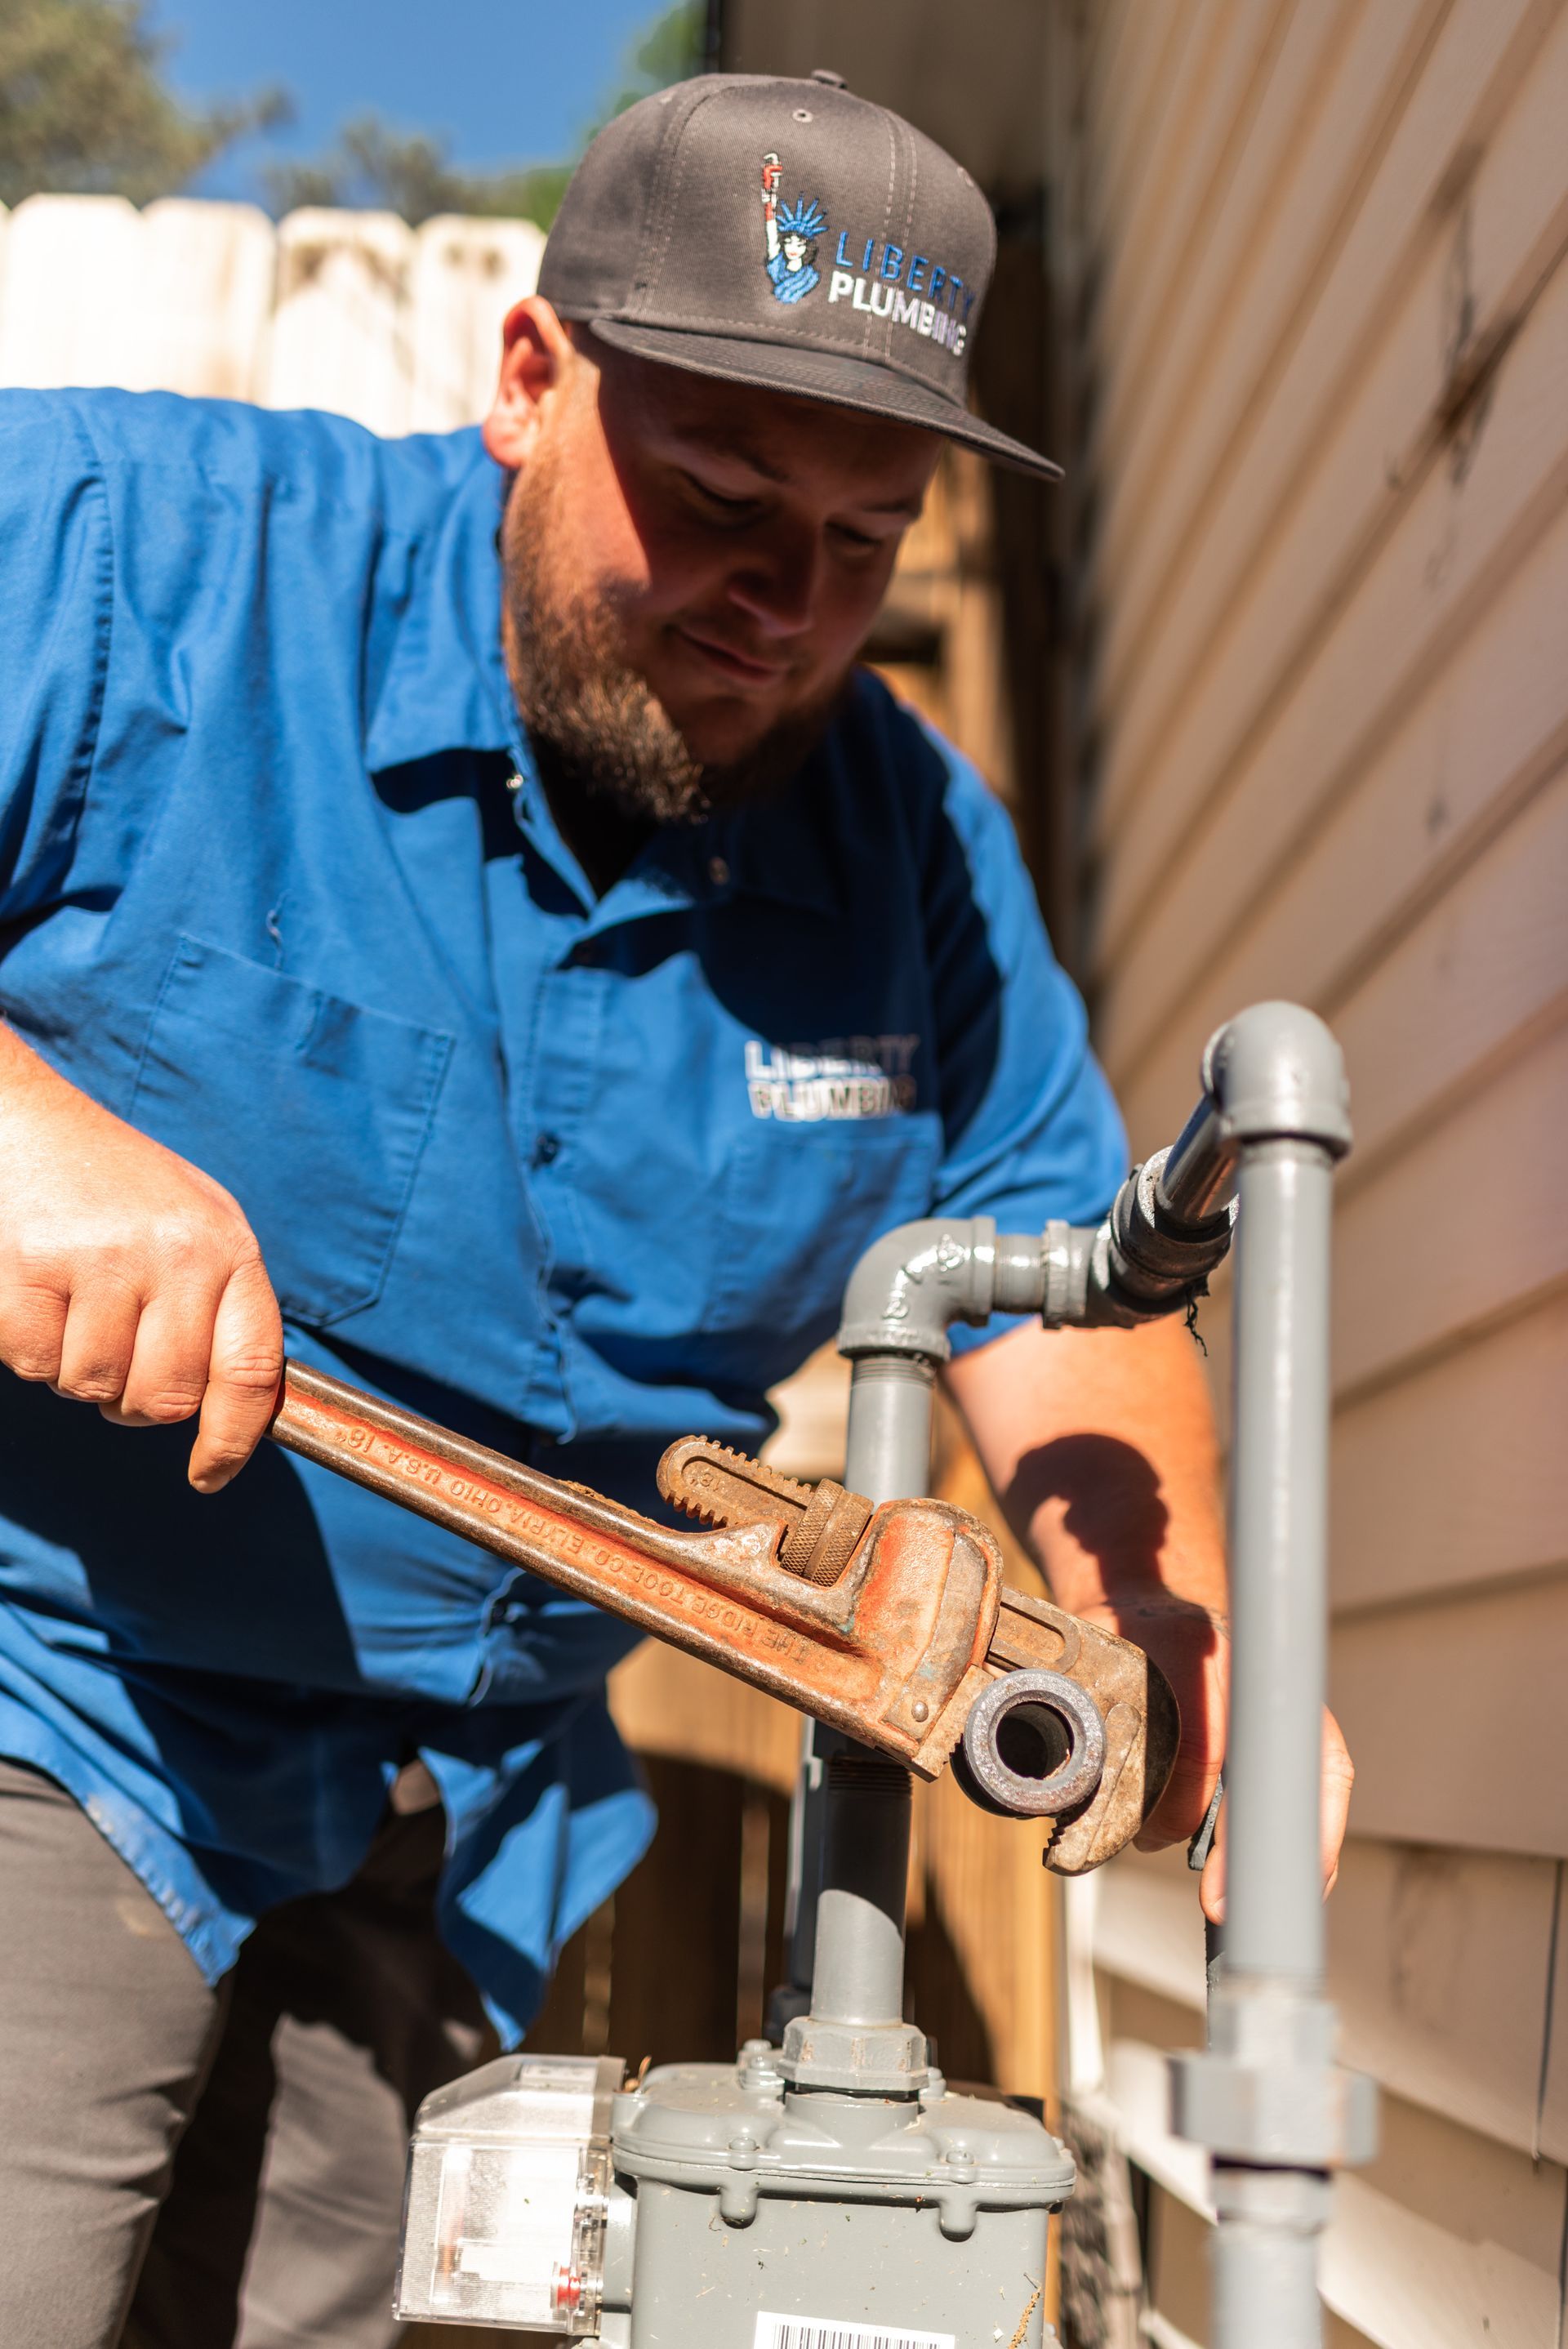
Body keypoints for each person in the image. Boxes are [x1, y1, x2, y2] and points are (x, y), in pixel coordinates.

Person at [0, 67, 1352, 2349]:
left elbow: (1053, 1256)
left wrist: (1194, 1629)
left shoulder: (911, 852)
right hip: (64, 1703)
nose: (784, 611)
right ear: (530, 381)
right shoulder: (131, 558)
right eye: (723, 505)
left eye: (863, 540)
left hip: (453, 1848)